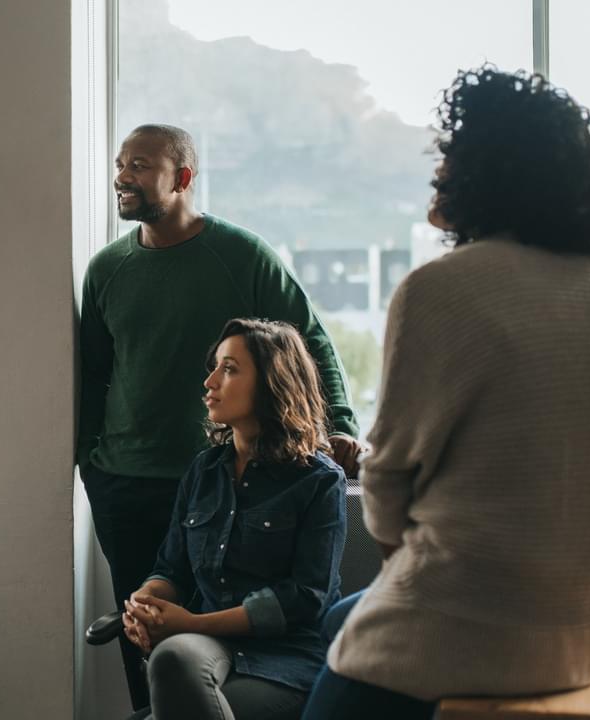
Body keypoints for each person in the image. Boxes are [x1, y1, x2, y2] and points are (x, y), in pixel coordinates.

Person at [301, 66, 590, 720]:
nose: (439, 168)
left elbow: (384, 482)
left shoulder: (439, 288)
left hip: (476, 629)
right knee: (338, 620)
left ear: (491, 170)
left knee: (335, 680)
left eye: (453, 152)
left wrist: (403, 571)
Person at [79, 123, 362, 709]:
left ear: (182, 179)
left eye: (140, 166)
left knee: (197, 634)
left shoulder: (241, 256)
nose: (122, 177)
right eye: (120, 164)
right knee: (148, 637)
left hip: (221, 471)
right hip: (125, 482)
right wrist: (91, 463)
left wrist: (340, 427)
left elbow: (307, 342)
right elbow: (90, 374)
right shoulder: (107, 269)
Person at [120, 318, 346, 720]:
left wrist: (194, 623)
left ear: (273, 383)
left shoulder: (320, 481)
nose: (210, 381)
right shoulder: (203, 471)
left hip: (287, 662)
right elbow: (171, 569)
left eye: (229, 368)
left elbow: (306, 597)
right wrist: (146, 602)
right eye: (215, 366)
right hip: (207, 651)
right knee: (171, 656)